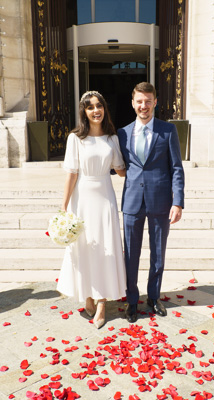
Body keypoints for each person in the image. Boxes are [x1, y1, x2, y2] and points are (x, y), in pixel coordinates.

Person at [57, 91, 127, 329]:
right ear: (84, 112)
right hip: (82, 198)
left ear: (104, 108)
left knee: (105, 246)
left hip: (105, 197)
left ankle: (102, 303)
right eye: (90, 107)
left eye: (99, 106)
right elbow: (71, 174)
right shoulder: (75, 138)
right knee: (84, 247)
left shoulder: (112, 139)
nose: (95, 110)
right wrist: (64, 205)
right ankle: (86, 293)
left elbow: (121, 170)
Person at [117, 82, 185, 322]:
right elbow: (117, 165)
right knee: (130, 255)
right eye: (139, 101)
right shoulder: (122, 133)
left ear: (155, 102)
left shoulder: (168, 130)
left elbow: (176, 168)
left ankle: (154, 297)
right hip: (132, 202)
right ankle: (132, 300)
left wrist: (177, 202)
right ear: (132, 103)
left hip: (161, 201)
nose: (143, 105)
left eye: (148, 101)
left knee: (158, 253)